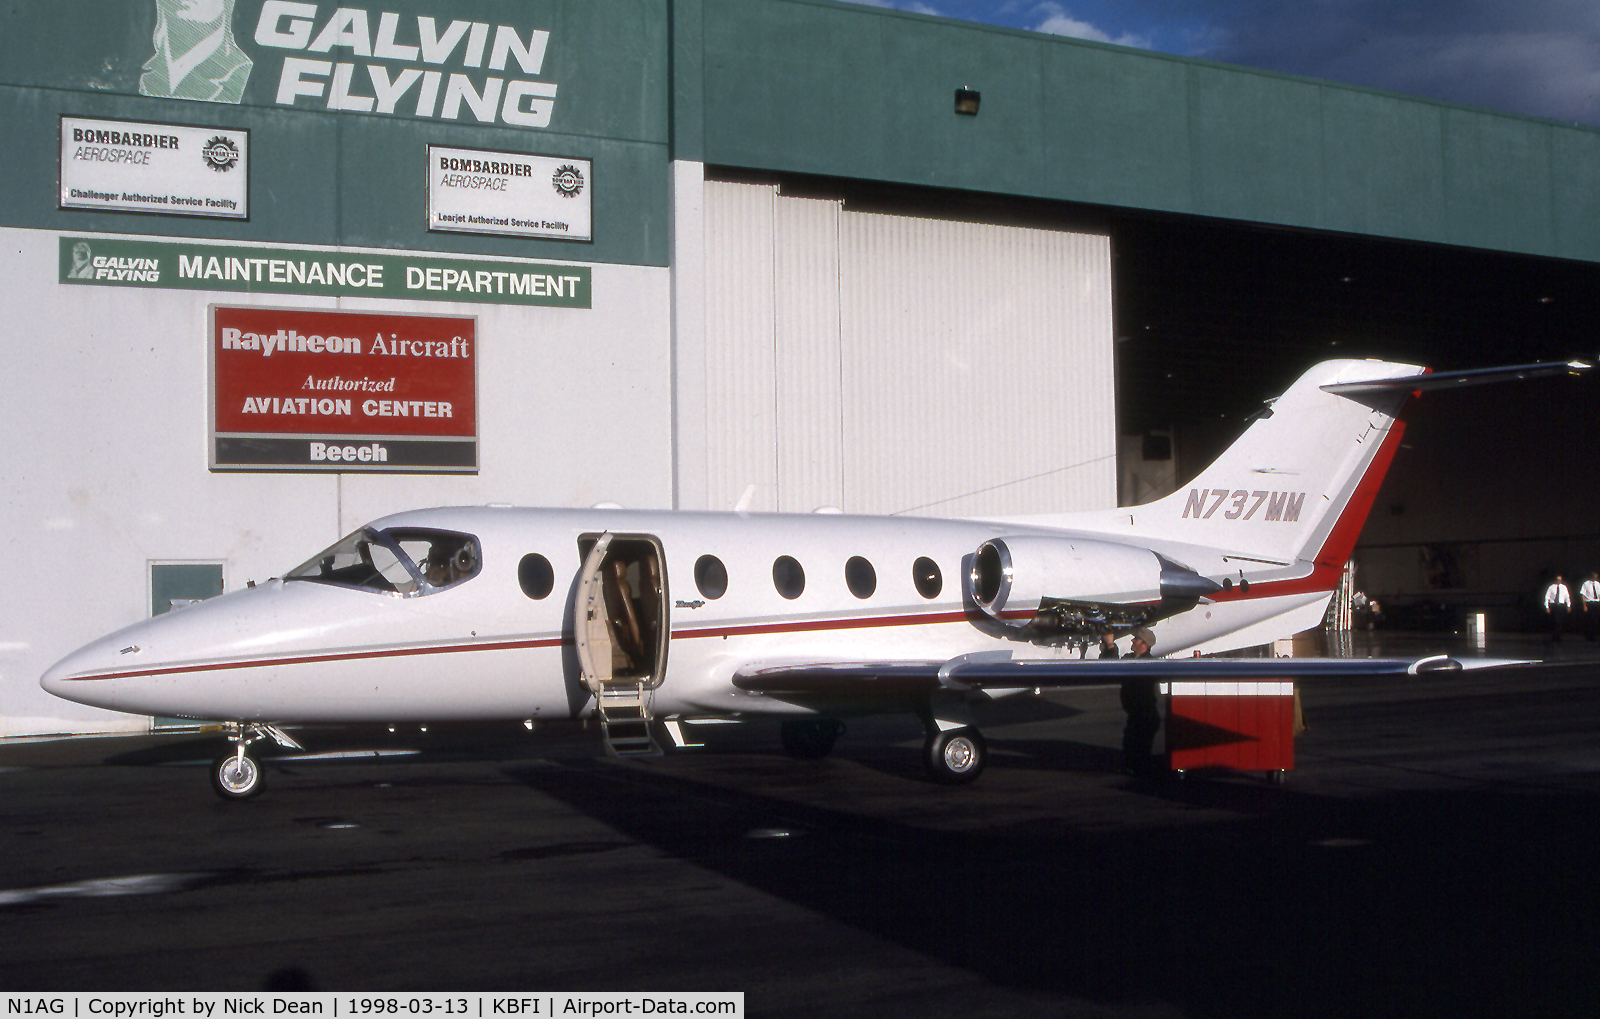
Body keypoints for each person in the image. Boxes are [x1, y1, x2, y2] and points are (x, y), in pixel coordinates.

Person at [1119, 626, 1162, 777]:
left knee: (1136, 746)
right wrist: (1109, 646)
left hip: (1143, 713)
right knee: (1135, 745)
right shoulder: (1131, 659)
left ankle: (1141, 775)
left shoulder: (1147, 664)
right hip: (1139, 713)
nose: (1132, 640)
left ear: (1143, 644)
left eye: (1136, 639)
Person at [1544, 574, 1572, 642]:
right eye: (1557, 579)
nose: (1559, 580)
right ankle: (1554, 636)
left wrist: (1568, 605)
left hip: (1561, 606)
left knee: (1560, 621)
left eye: (1560, 579)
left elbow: (1567, 597)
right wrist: (1547, 607)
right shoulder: (1551, 587)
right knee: (1555, 621)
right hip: (1554, 605)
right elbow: (1547, 597)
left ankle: (1558, 636)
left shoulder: (1564, 587)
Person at [1580, 572, 1600, 642]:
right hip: (1589, 603)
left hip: (1596, 603)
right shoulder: (1586, 583)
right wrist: (1584, 605)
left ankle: (1594, 636)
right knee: (1589, 620)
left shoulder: (1598, 584)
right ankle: (1589, 636)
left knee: (1595, 620)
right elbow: (1583, 595)